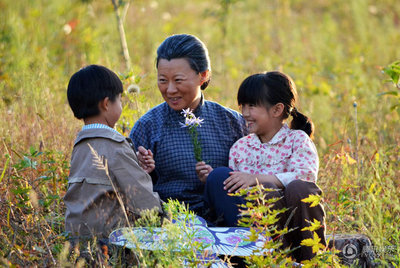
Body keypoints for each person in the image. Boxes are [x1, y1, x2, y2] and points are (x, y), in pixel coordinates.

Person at [204, 71, 326, 262]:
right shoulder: (241, 147)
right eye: (242, 105)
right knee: (240, 185)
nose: (244, 113)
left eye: (252, 106)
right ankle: (272, 261)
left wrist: (256, 179)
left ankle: (310, 261)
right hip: (260, 229)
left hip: (297, 223)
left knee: (299, 187)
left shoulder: (297, 140)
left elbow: (306, 176)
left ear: (277, 110)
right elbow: (237, 195)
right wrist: (214, 178)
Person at [129, 34, 247, 218]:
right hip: (171, 223)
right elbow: (131, 190)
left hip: (228, 221)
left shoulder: (232, 122)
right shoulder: (148, 127)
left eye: (178, 80)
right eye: (162, 80)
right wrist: (139, 168)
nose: (170, 90)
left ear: (203, 75)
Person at [64, 65, 162, 246]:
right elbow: (144, 202)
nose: (122, 105)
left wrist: (139, 169)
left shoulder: (81, 145)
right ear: (106, 104)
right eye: (120, 100)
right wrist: (170, 217)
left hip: (76, 243)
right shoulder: (115, 145)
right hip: (108, 243)